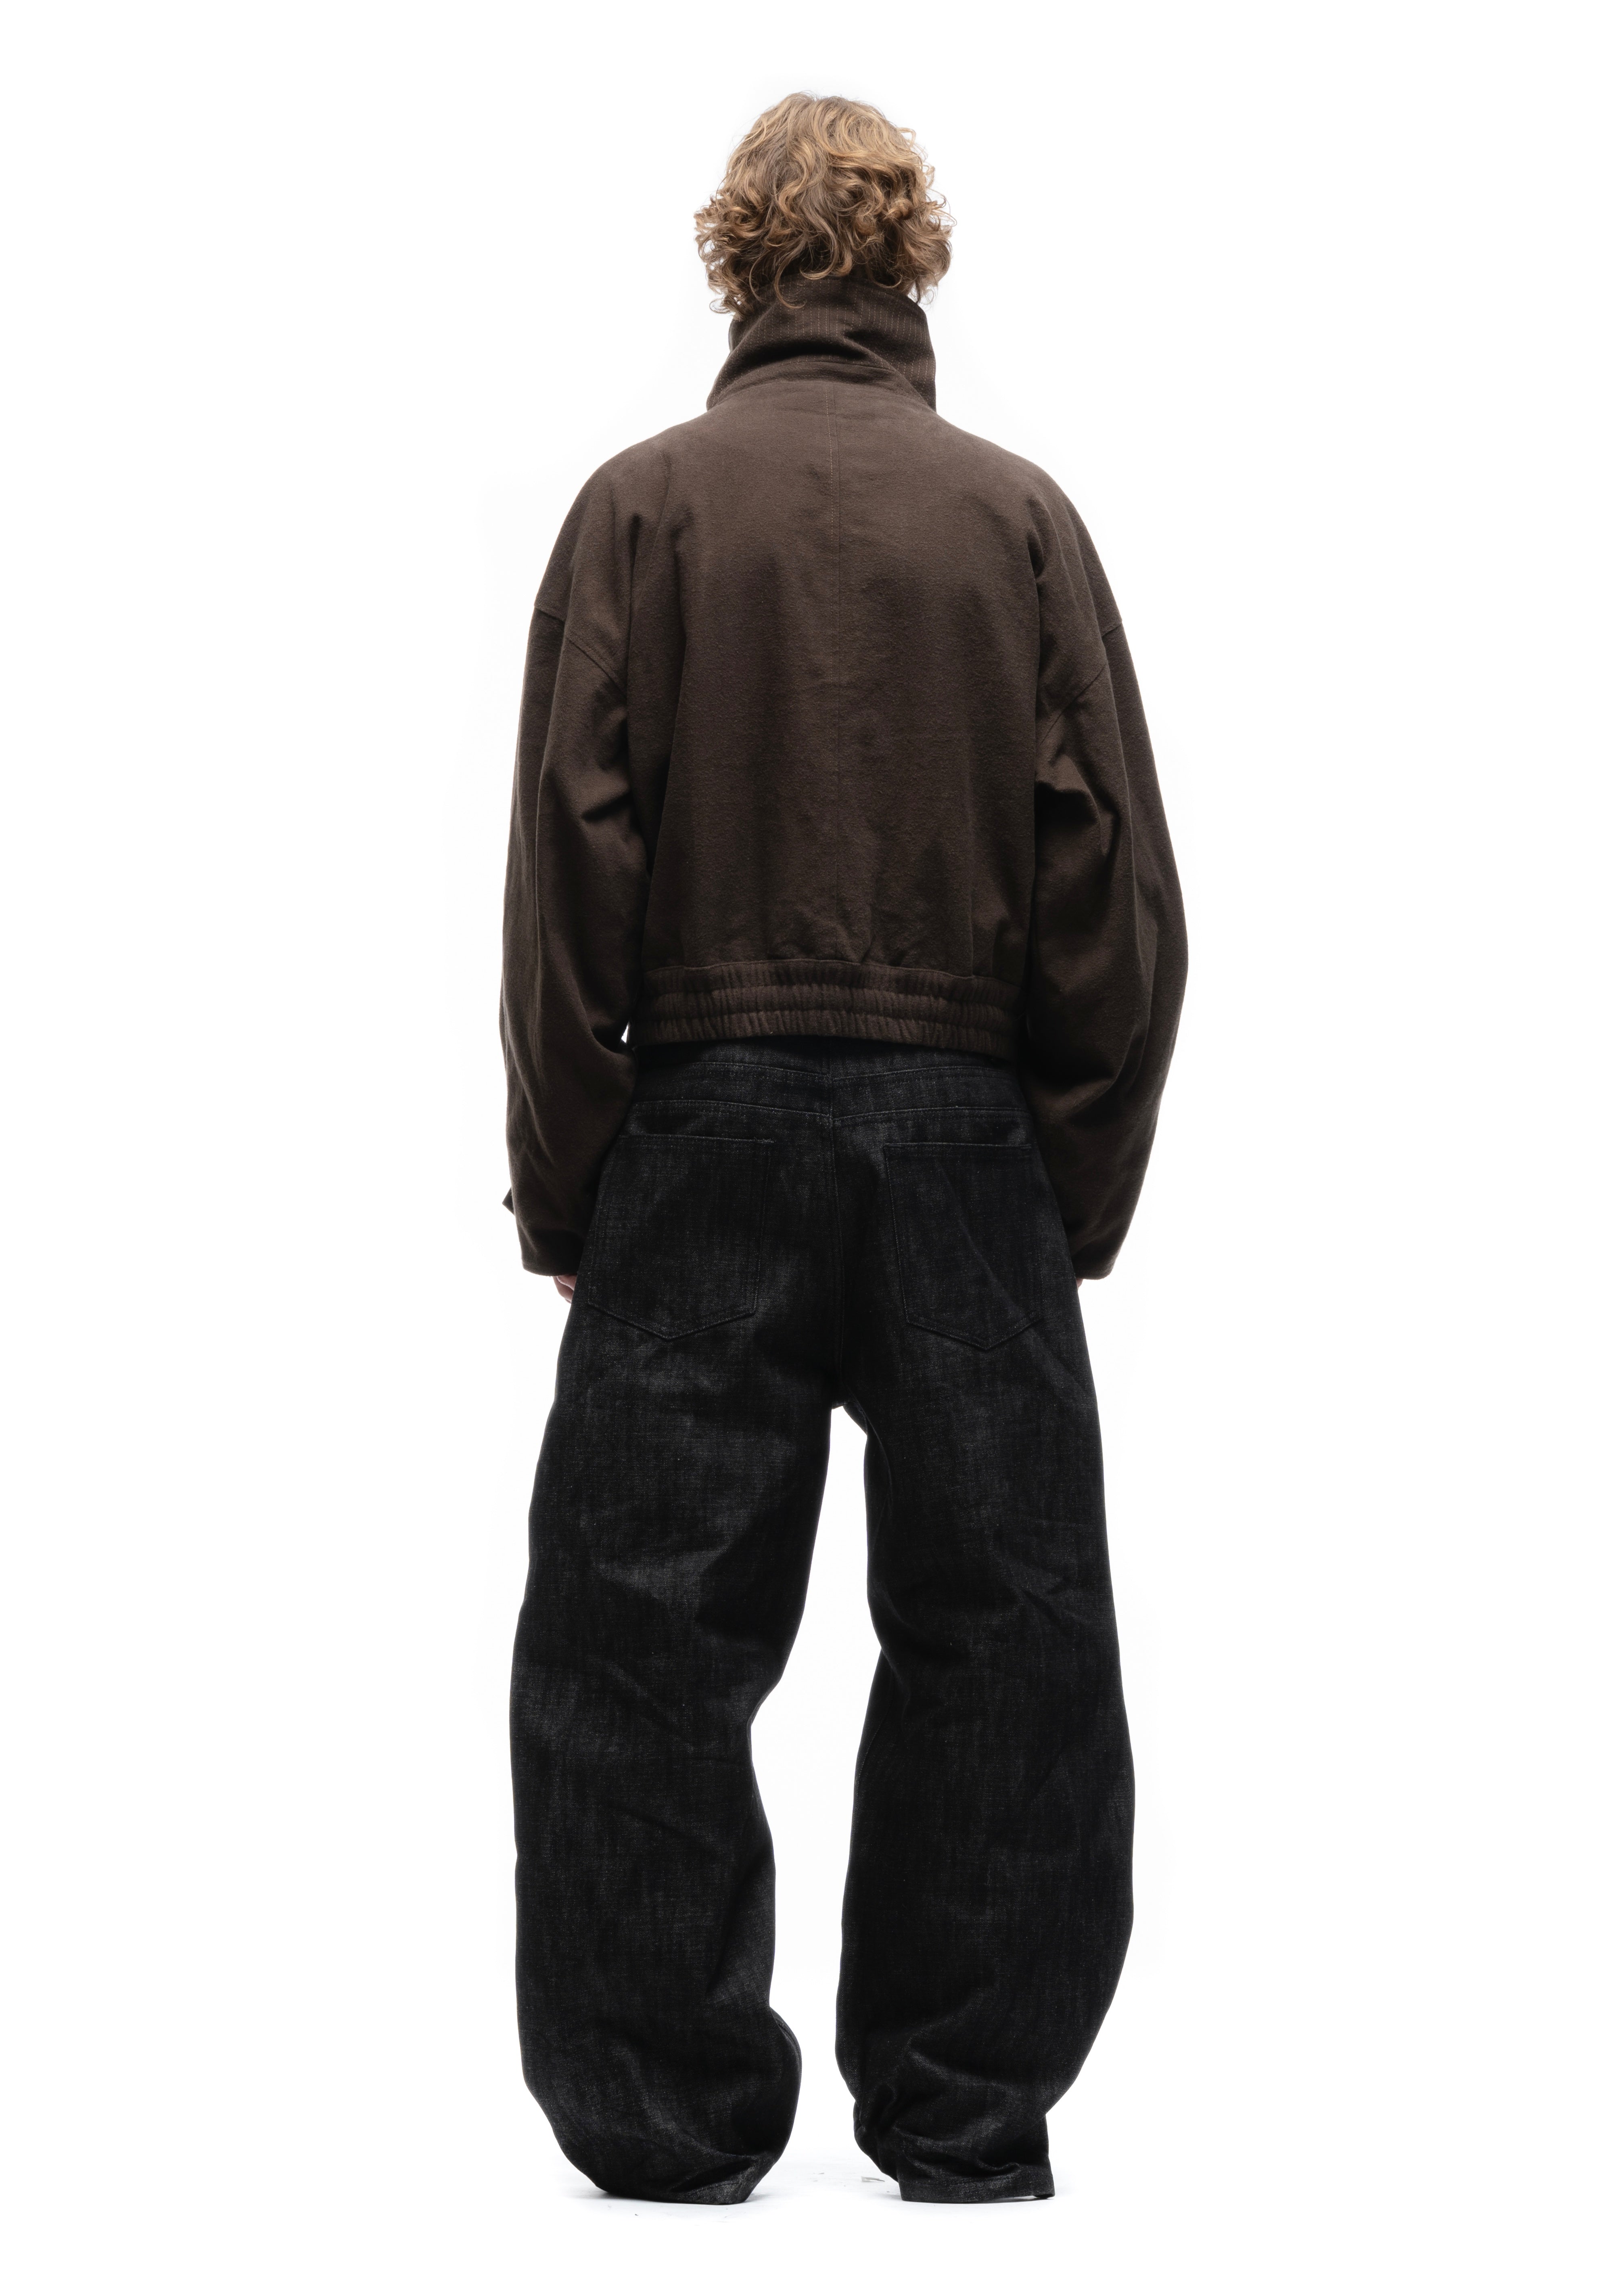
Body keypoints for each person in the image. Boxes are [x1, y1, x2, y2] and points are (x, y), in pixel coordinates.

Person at [499, 91, 1186, 2207]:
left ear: (736, 264)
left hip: (699, 1124)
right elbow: (1119, 898)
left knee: (638, 1624)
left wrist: (573, 1179)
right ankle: (966, 2107)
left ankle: (660, 2120)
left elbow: (566, 881)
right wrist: (1066, 1180)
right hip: (966, 1129)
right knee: (1011, 1620)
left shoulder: (639, 511)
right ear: (913, 260)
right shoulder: (1017, 523)